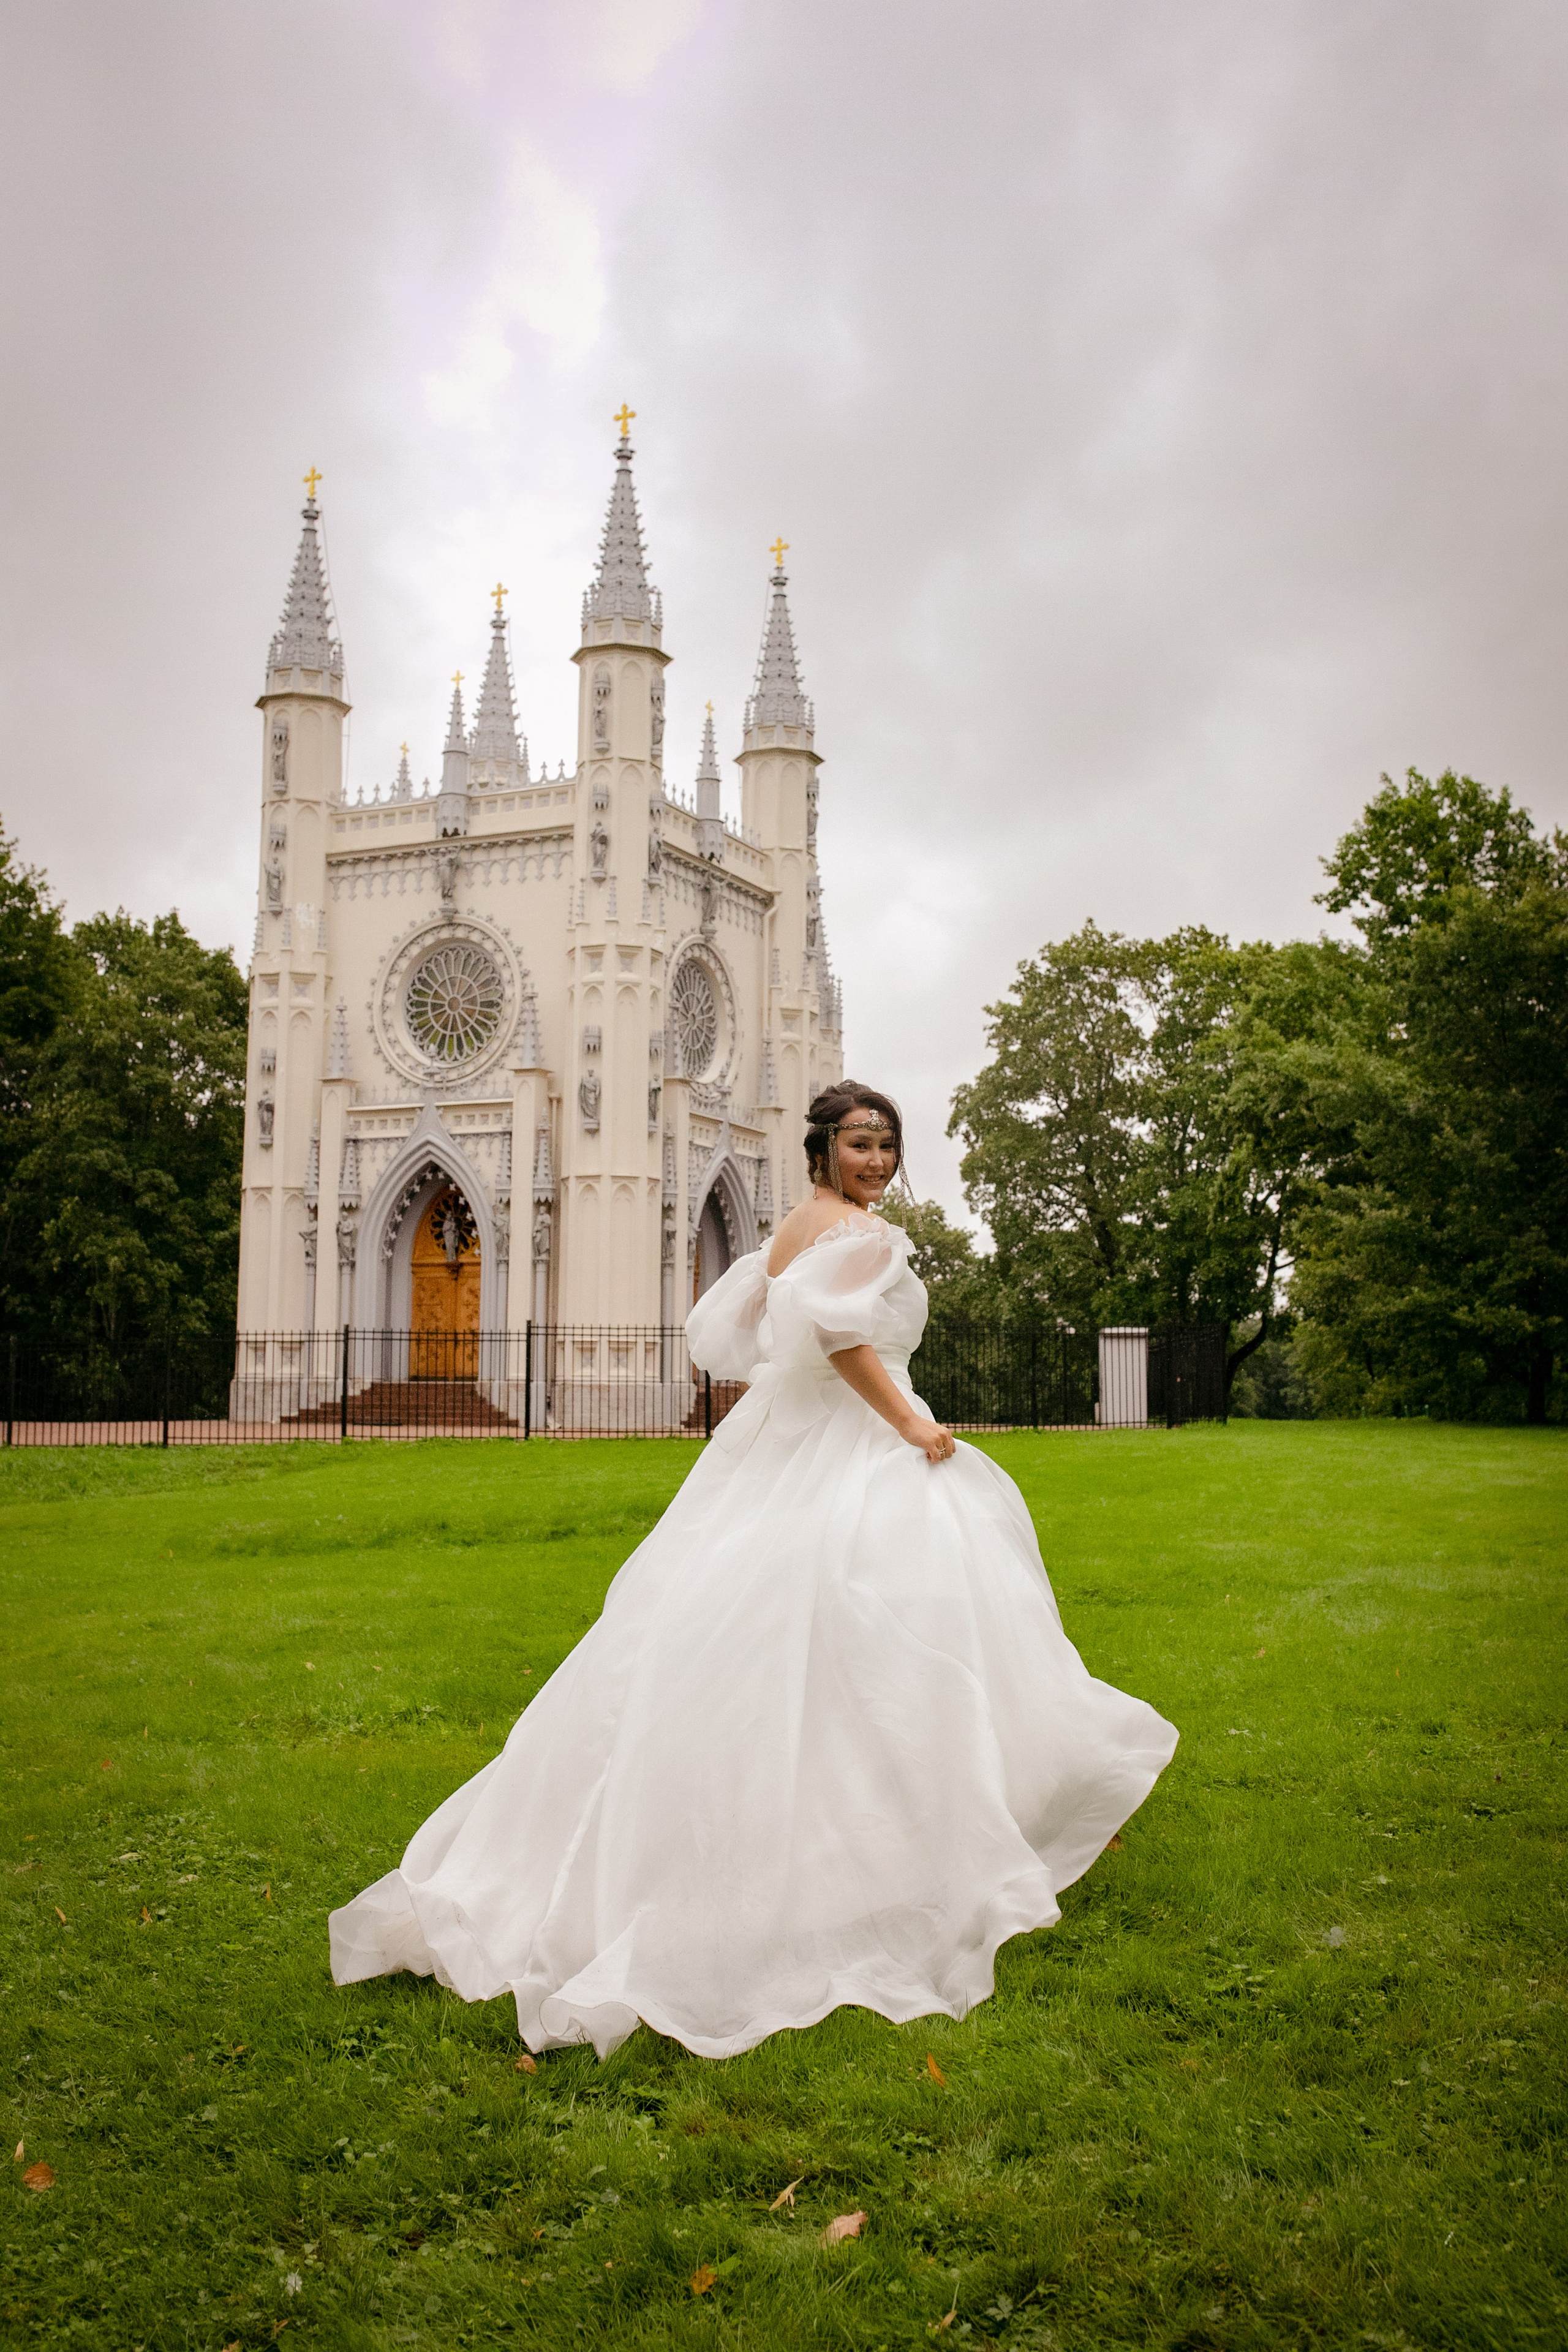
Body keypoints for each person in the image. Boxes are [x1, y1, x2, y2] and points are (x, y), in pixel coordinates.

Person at [329, 1084, 1178, 2059]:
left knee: (778, 1624)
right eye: (861, 1144)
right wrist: (909, 1423)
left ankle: (870, 1827)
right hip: (851, 1438)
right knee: (891, 1611)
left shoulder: (798, 1228)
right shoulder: (856, 1236)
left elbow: (754, 1337)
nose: (878, 1159)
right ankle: (904, 1839)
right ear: (822, 1147)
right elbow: (838, 1338)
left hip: (784, 1442)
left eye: (889, 1144)